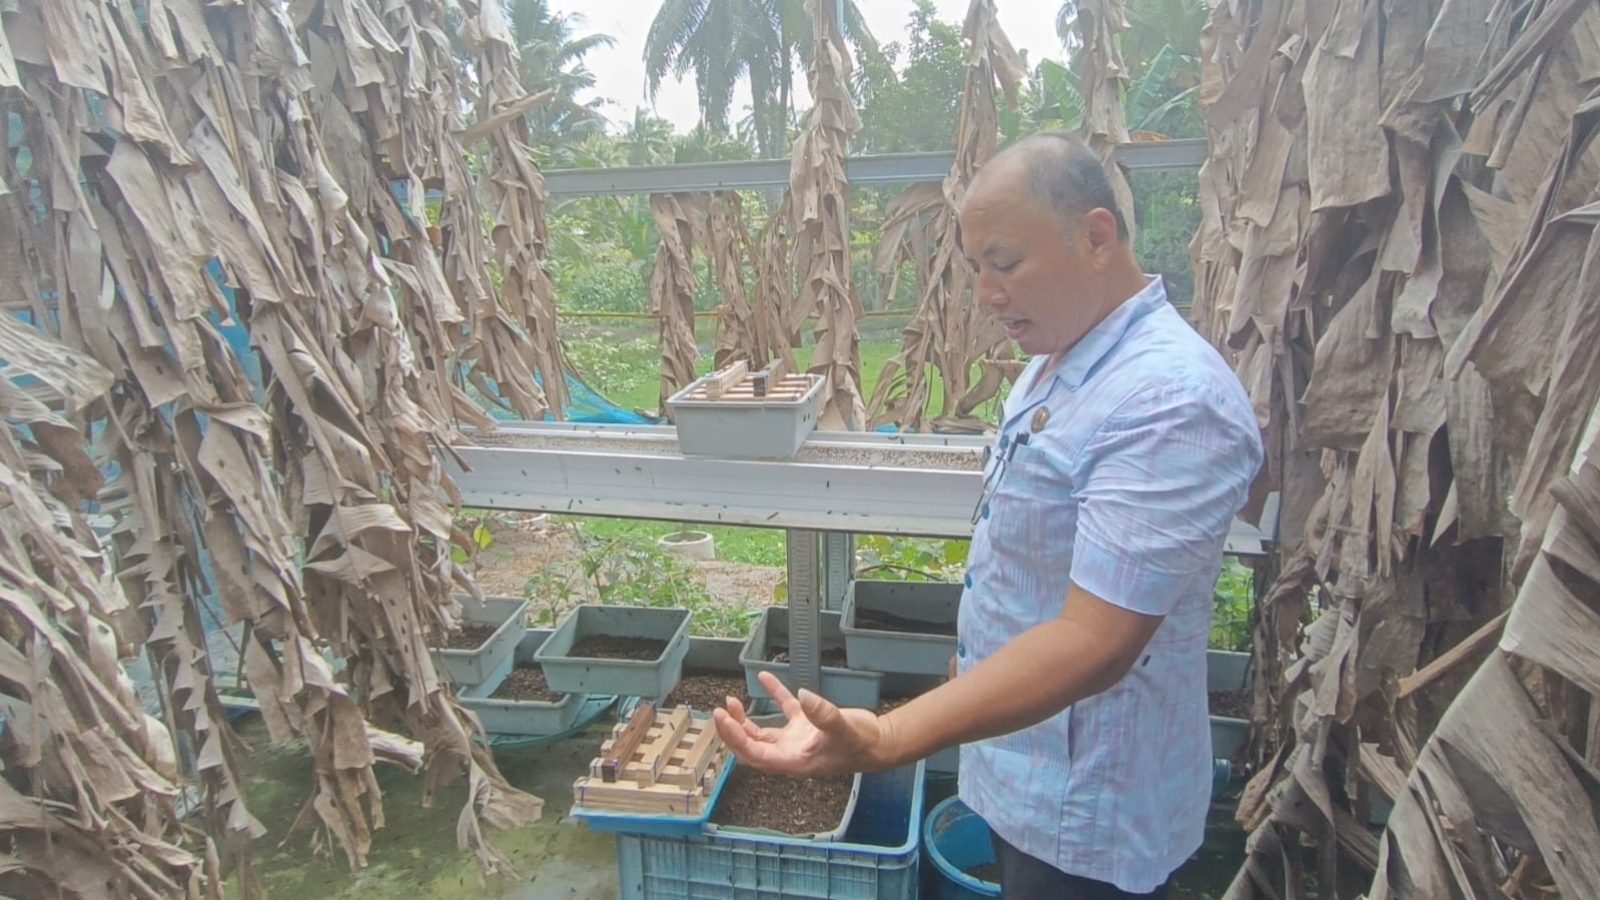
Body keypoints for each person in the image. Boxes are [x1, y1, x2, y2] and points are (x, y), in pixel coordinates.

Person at [711, 132, 1263, 899]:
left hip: (1089, 805)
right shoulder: (1062, 358)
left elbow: (1096, 642)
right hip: (1022, 765)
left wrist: (890, 734)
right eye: (976, 268)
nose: (985, 293)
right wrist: (978, 661)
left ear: (1096, 237)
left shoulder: (1168, 400)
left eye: (1005, 264)